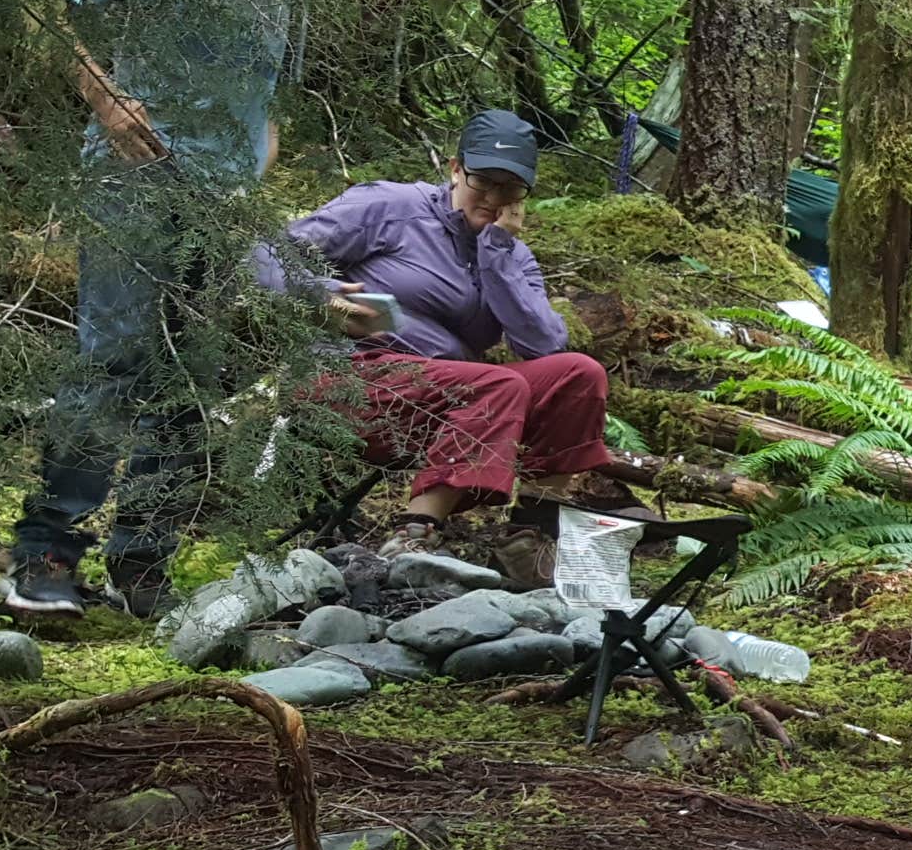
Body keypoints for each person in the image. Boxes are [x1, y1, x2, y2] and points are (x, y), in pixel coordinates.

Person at [3, 0, 356, 618]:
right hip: (132, 183)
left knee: (188, 380)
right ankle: (47, 552)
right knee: (116, 357)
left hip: (220, 206)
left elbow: (268, 99)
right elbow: (47, 7)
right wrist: (107, 100)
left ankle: (143, 566)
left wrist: (257, 167)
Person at [262, 109, 640, 569]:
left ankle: (530, 537)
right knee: (497, 385)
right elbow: (265, 254)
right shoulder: (392, 207)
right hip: (351, 378)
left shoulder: (514, 255)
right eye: (483, 181)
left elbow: (543, 346)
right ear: (455, 168)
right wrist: (323, 296)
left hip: (445, 399)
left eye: (511, 188)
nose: (494, 198)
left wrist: (497, 255)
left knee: (578, 374)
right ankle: (413, 537)